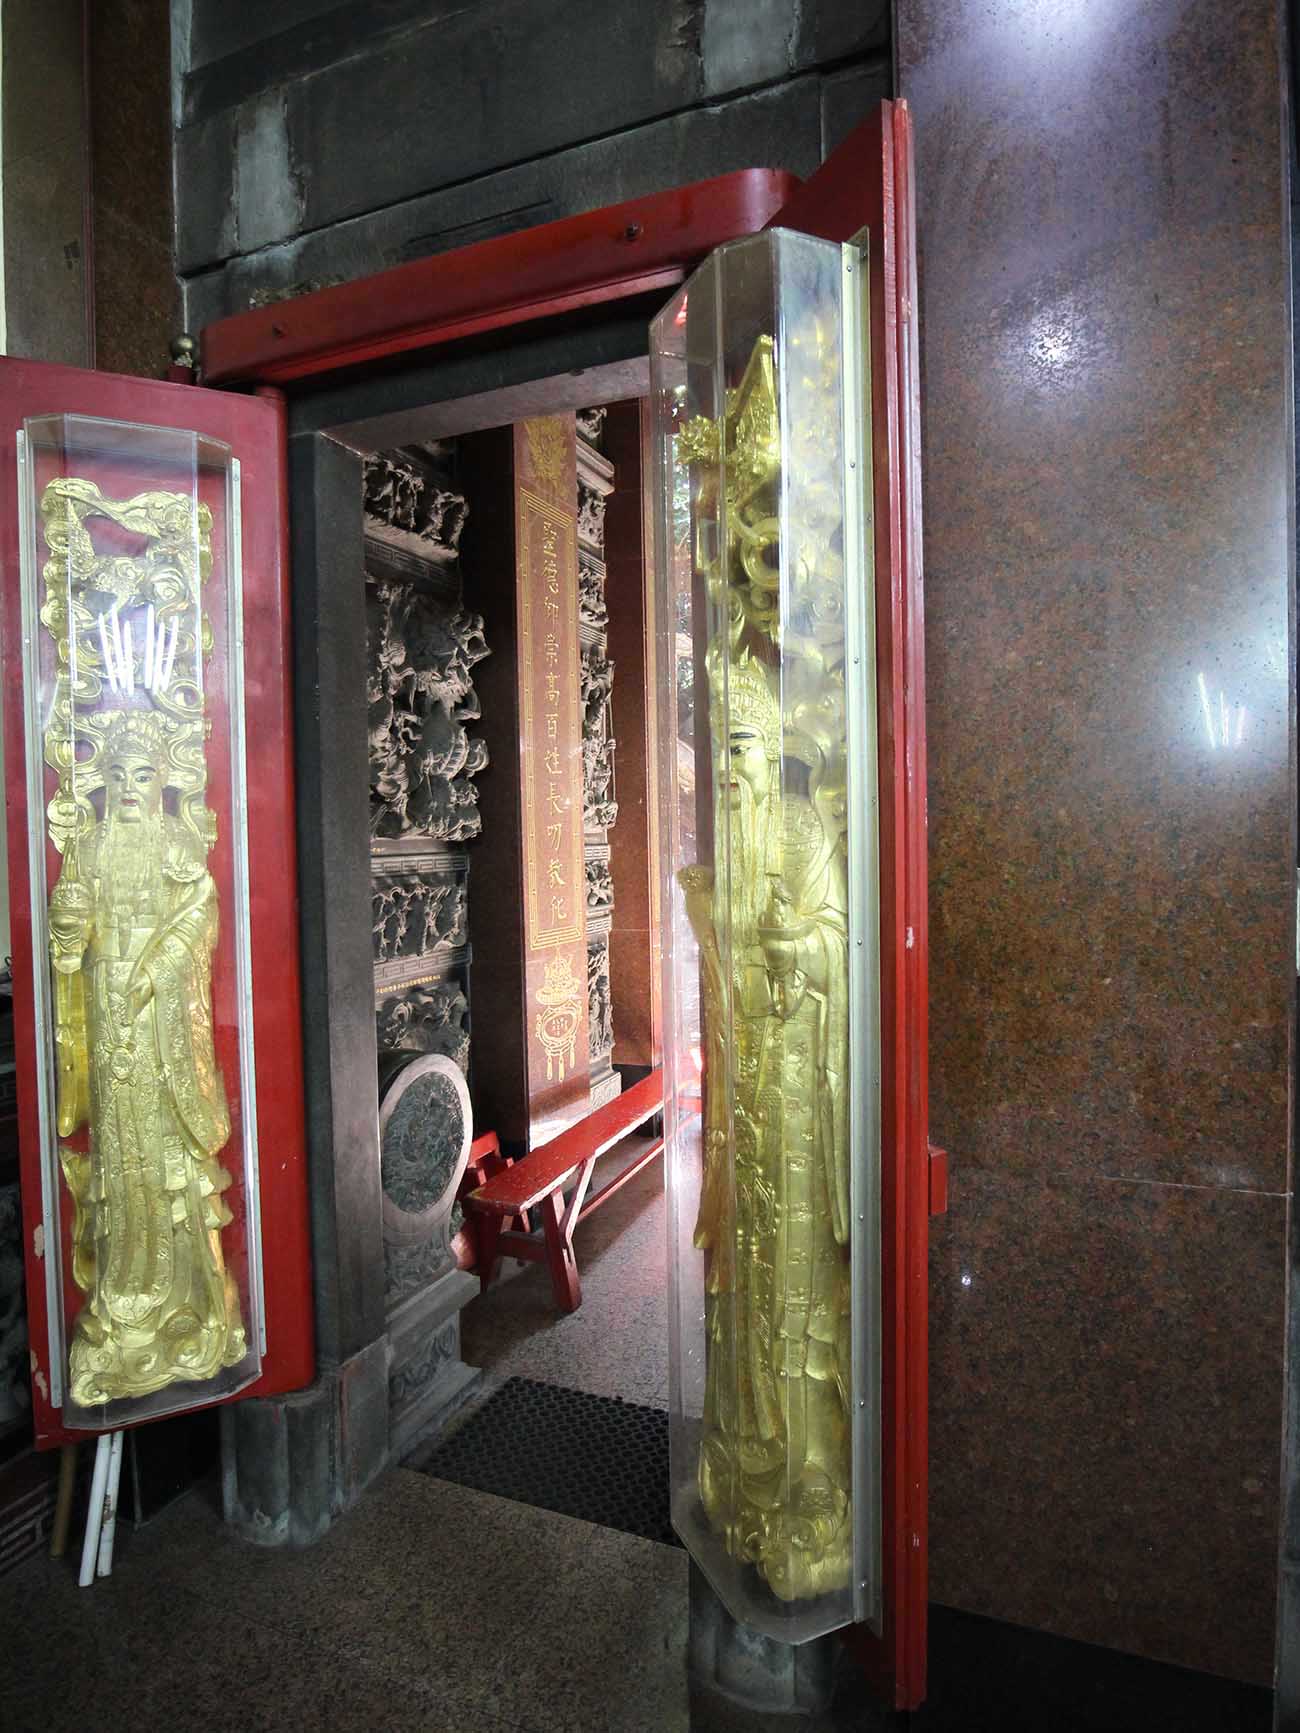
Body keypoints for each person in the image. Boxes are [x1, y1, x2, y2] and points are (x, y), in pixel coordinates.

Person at [682, 651, 852, 1602]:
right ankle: (744, 1450)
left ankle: (809, 1470)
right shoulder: (730, 844)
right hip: (741, 1102)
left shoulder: (800, 827)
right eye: (723, 749)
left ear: (774, 746)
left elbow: (837, 941)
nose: (731, 768)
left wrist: (801, 949)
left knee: (796, 1287)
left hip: (795, 1097)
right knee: (741, 1282)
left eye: (743, 746)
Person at [48, 708, 245, 1407]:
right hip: (108, 1015)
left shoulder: (176, 841)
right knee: (121, 1156)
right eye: (118, 775)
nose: (130, 787)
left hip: (163, 1021)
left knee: (171, 1159)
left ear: (162, 780)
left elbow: (200, 917)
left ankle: (192, 1299)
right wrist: (69, 931)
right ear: (102, 782)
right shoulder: (90, 847)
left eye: (143, 774)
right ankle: (123, 1296)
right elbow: (70, 944)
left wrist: (155, 970)